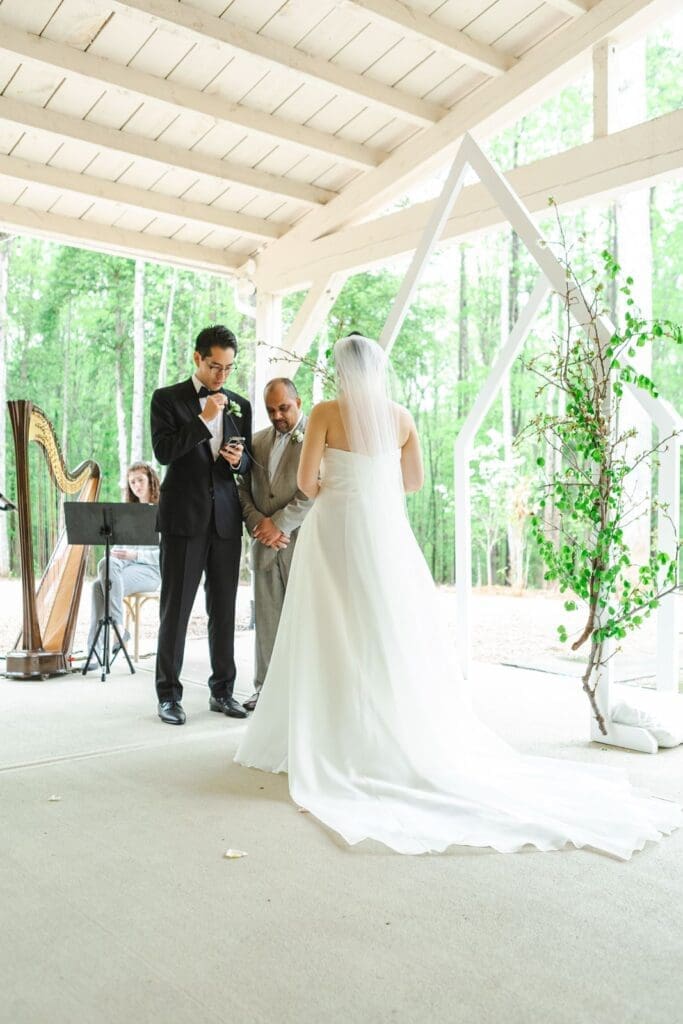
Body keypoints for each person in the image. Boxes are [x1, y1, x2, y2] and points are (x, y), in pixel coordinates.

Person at [235, 334, 681, 858]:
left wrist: (343, 481)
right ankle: (386, 731)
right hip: (384, 536)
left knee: (331, 631)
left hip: (334, 533)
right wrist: (371, 485)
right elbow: (414, 482)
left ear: (341, 370)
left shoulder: (329, 412)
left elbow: (308, 484)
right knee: (388, 631)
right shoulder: (400, 418)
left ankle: (329, 734)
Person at [151, 324, 252, 726]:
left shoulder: (240, 403)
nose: (222, 376)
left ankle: (223, 691)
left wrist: (236, 460)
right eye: (215, 366)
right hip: (183, 520)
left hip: (226, 520)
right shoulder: (168, 399)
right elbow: (163, 452)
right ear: (197, 358)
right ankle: (168, 695)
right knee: (175, 611)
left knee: (224, 610)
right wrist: (202, 417)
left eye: (228, 368)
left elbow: (248, 464)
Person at [237, 378, 312, 711]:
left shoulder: (317, 438)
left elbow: (315, 489)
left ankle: (305, 692)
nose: (277, 415)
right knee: (267, 622)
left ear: (299, 401)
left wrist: (279, 525)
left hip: (303, 545)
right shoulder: (256, 442)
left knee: (306, 622)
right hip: (264, 545)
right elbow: (241, 489)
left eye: (284, 407)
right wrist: (258, 523)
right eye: (271, 410)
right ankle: (264, 689)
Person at [86, 462, 161, 664]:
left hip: (152, 572)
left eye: (140, 480)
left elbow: (164, 554)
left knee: (98, 587)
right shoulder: (128, 513)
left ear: (151, 481)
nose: (136, 485)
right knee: (105, 567)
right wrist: (117, 552)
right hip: (124, 569)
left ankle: (106, 640)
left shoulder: (163, 511)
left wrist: (133, 555)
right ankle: (116, 630)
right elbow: (121, 547)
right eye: (132, 482)